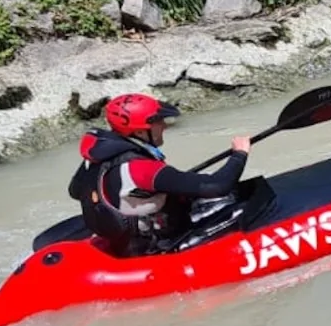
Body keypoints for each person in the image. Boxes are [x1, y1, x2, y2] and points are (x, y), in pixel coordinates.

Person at [69, 93, 254, 257]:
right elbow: (218, 186)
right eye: (158, 122)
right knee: (240, 198)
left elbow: (75, 191)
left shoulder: (95, 156)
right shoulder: (141, 169)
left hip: (122, 239)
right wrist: (239, 154)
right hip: (154, 247)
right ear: (140, 131)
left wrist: (138, 195)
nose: (164, 126)